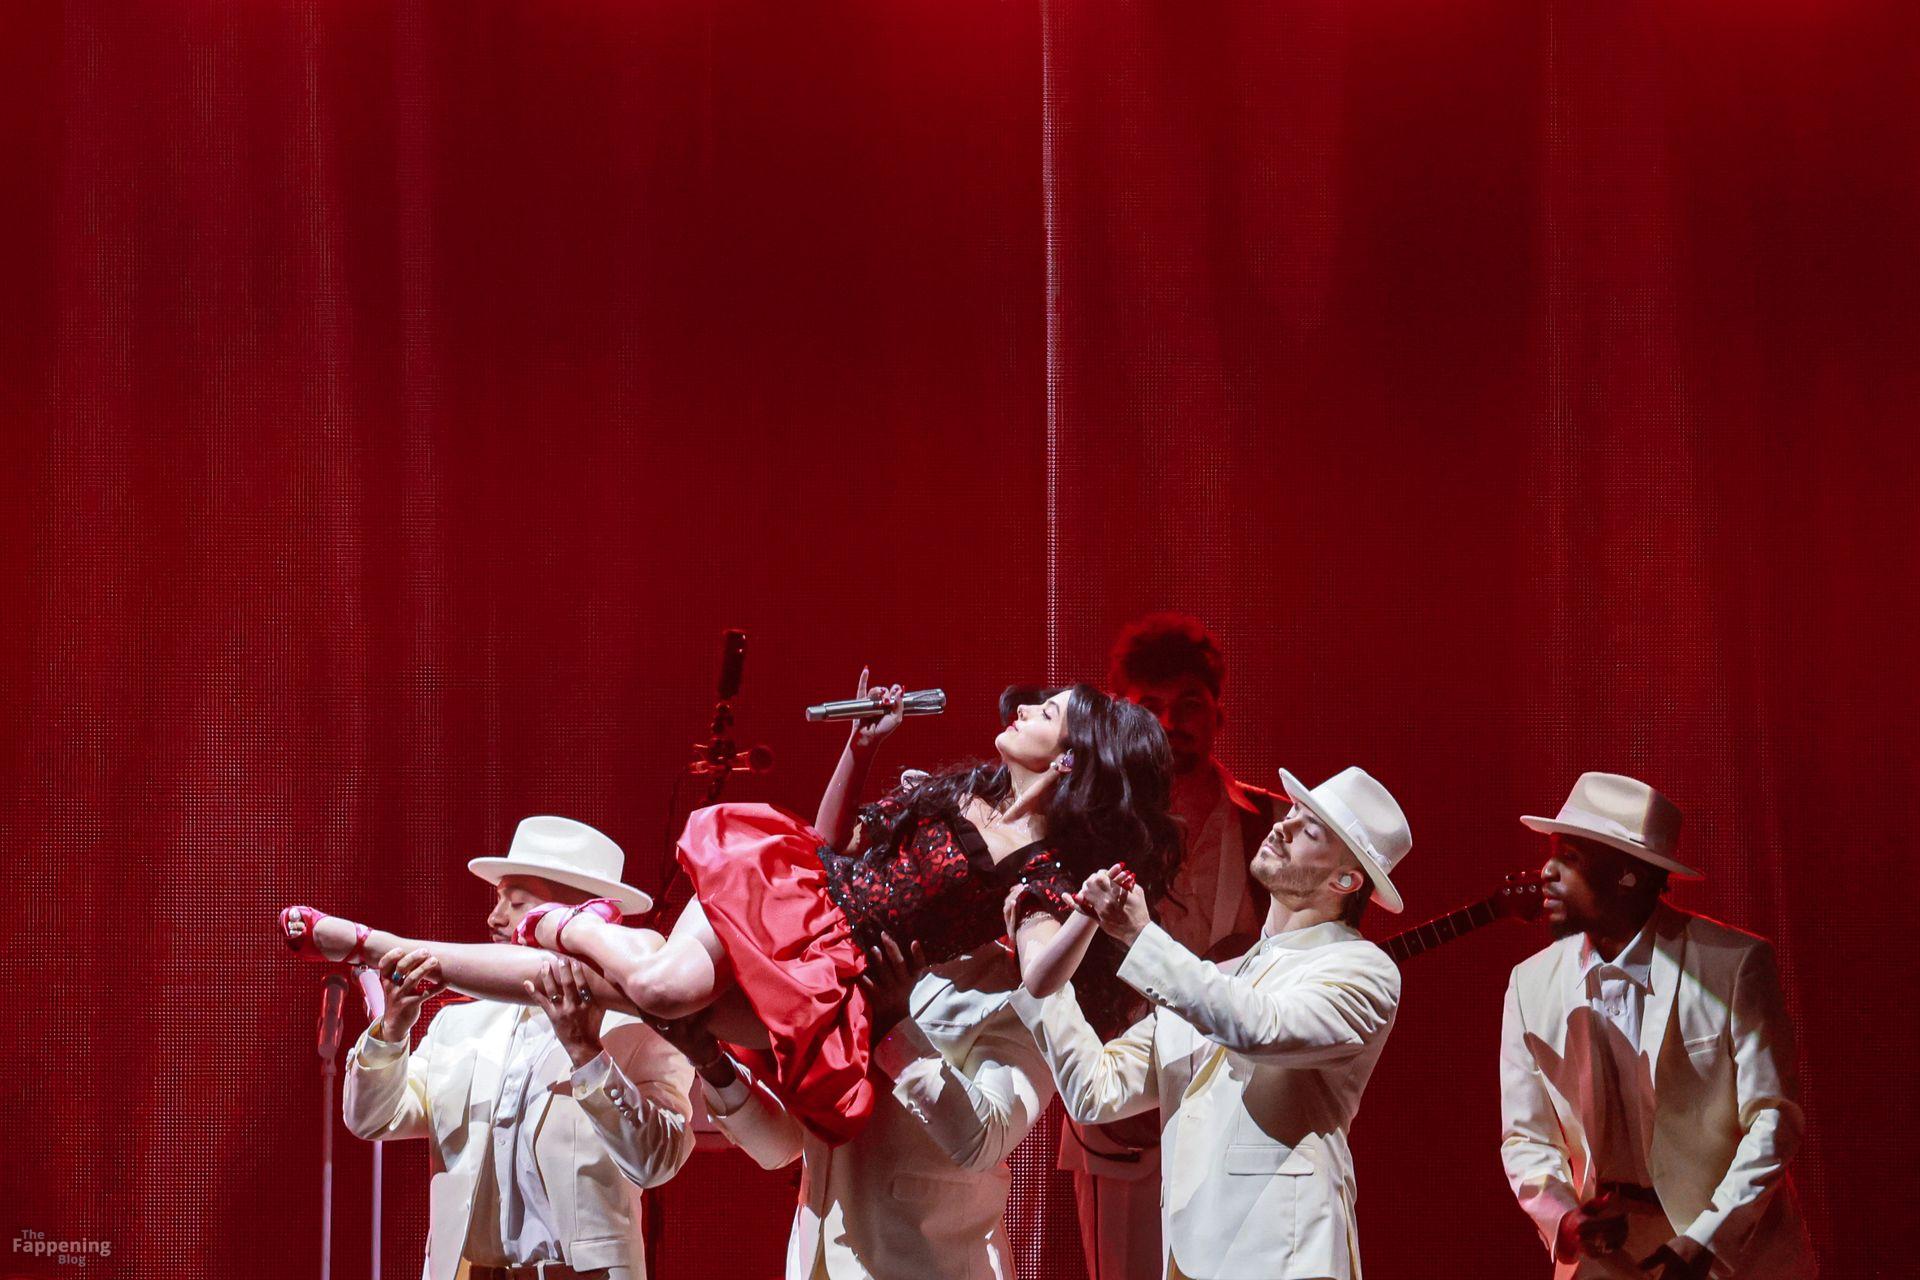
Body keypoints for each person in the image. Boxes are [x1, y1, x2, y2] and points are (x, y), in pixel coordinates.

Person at [282, 674, 1180, 1145]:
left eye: (1050, 711)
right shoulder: (954, 794)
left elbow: (1039, 974)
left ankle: (378, 945)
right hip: (790, 896)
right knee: (663, 988)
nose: (1027, 708)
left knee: (606, 992)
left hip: (833, 980)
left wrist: (1090, 914)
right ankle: (566, 921)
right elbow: (830, 844)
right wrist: (859, 752)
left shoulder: (1042, 874)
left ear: (1072, 759)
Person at [1016, 766, 1411, 1280]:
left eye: (1310, 829)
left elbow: (1260, 1029)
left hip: (1284, 1260)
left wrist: (1141, 938)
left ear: (1344, 880)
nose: (1283, 826)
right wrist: (1039, 958)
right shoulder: (1214, 978)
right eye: (1292, 812)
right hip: (1187, 1258)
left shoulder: (1362, 969)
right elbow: (1096, 1090)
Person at [335, 817, 694, 1280]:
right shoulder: (458, 1025)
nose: (495, 918)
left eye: (518, 902)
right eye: (499, 898)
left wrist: (587, 1053)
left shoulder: (638, 1029)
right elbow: (370, 1119)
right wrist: (391, 1031)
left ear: (579, 920)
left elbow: (655, 1162)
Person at [1499, 773, 1816, 1280]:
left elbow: (1773, 1119)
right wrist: (1566, 1219)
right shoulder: (1529, 985)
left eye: (1570, 858)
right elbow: (1526, 1137)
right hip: (1606, 1260)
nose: (1546, 872)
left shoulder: (1733, 966)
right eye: (1551, 854)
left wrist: (1705, 1241)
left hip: (1734, 1254)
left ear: (1628, 875)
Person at [1061, 614, 1284, 1278]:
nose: (1169, 722)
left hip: (1243, 1113)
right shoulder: (1088, 828)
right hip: (1122, 1121)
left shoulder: (1275, 826)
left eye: (1189, 703)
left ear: (1220, 711)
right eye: (1150, 705)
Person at [660, 936, 1054, 1280]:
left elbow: (985, 1140)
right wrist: (712, 1065)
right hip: (815, 1266)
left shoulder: (1011, 985)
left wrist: (896, 1026)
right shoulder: (835, 957)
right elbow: (783, 1148)